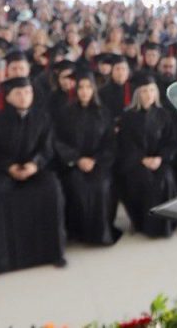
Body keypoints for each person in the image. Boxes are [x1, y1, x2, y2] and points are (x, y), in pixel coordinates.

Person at [0, 76, 66, 281]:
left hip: (36, 169)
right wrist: (9, 167)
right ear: (8, 97)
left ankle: (54, 253)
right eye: (18, 93)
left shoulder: (43, 118)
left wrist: (35, 164)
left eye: (28, 92)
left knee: (52, 189)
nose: (24, 97)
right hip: (5, 171)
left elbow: (47, 148)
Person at [52, 67, 122, 245]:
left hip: (99, 163)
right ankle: (78, 233)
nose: (84, 91)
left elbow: (110, 143)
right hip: (73, 164)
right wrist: (77, 159)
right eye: (81, 87)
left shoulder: (104, 113)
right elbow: (58, 141)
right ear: (76, 89)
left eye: (88, 87)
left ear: (94, 89)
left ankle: (101, 233)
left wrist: (95, 160)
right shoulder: (65, 113)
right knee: (76, 184)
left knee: (101, 186)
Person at [115, 76, 177, 238]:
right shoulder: (128, 117)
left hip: (159, 160)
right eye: (144, 91)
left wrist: (160, 158)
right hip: (136, 162)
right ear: (137, 93)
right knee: (143, 179)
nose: (149, 94)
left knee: (164, 177)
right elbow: (125, 145)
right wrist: (141, 159)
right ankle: (143, 225)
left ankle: (165, 225)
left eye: (151, 90)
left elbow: (171, 142)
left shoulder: (164, 114)